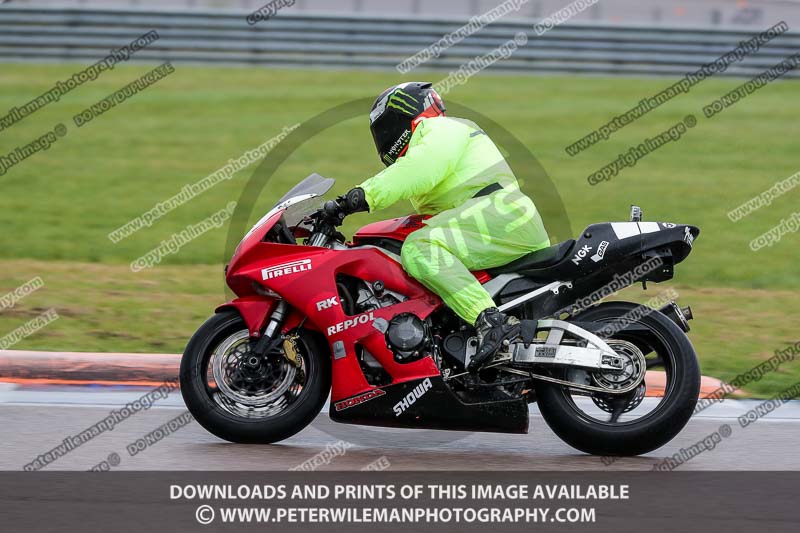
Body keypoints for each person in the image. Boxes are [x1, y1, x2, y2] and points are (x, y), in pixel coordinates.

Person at [337, 82, 550, 372]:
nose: (384, 138)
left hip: (501, 216)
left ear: (405, 115)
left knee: (420, 248)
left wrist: (357, 198)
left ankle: (489, 321)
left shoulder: (441, 130)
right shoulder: (439, 139)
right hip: (493, 218)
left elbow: (415, 172)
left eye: (386, 128)